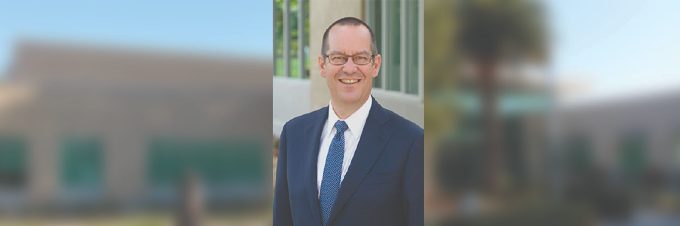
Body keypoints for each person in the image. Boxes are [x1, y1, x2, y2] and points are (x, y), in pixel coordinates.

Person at [273, 17, 423, 226]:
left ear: (375, 65)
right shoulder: (293, 133)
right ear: (322, 65)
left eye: (361, 57)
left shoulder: (411, 141)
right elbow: (282, 218)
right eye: (338, 57)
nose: (350, 68)